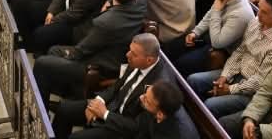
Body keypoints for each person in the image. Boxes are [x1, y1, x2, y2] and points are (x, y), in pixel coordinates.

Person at [33, 0, 147, 102]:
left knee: (53, 53)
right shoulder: (142, 0)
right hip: (118, 53)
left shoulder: (105, 22)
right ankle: (68, 92)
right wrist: (110, 3)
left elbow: (82, 51)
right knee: (56, 50)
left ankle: (71, 95)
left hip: (101, 64)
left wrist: (69, 53)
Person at [50, 33, 179, 139]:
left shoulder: (158, 89)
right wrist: (98, 101)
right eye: (130, 50)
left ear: (149, 60)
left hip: (122, 127)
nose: (128, 55)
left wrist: (104, 114)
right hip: (110, 106)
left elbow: (137, 126)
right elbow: (117, 86)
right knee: (63, 109)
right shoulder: (136, 60)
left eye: (133, 54)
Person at [187, 0, 272, 119]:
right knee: (193, 80)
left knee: (210, 105)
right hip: (236, 73)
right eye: (259, 8)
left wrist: (230, 89)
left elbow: (260, 81)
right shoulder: (256, 21)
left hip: (252, 91)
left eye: (264, 12)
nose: (258, 14)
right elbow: (240, 51)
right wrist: (224, 76)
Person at [170, 0, 254, 73]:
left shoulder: (241, 14)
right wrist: (195, 32)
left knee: (181, 64)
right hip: (211, 37)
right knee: (172, 47)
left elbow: (217, 43)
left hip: (225, 52)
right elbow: (210, 15)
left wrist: (217, 11)